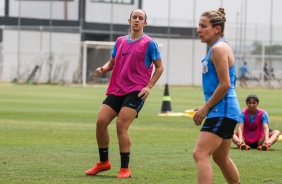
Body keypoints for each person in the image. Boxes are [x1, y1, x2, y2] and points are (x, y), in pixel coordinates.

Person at [85, 9, 164, 178]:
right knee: (100, 122)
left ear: (145, 23)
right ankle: (104, 162)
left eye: (140, 18)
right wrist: (103, 68)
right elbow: (112, 62)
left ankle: (125, 168)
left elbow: (160, 67)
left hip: (136, 90)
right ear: (129, 20)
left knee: (121, 125)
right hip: (117, 89)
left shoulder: (149, 43)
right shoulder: (120, 41)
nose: (137, 20)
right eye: (134, 17)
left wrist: (149, 87)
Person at [192, 8, 241, 184]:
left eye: (203, 26)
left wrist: (207, 107)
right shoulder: (216, 48)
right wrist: (206, 106)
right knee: (221, 158)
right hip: (223, 110)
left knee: (200, 153)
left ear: (217, 29)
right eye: (199, 25)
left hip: (223, 110)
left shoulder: (218, 49)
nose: (199, 30)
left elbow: (225, 84)